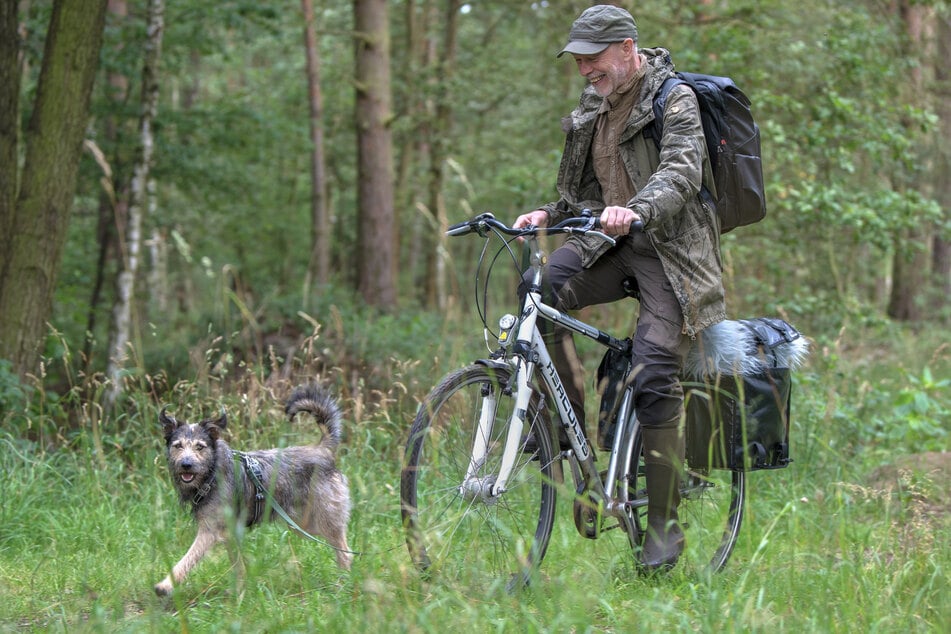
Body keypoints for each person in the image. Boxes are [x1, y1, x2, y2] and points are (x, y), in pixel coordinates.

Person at [513, 5, 726, 571]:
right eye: (580, 60)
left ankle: (663, 529)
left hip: (671, 253)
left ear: (628, 48)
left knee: (655, 370)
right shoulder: (594, 105)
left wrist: (635, 212)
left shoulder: (673, 97)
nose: (585, 69)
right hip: (608, 245)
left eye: (594, 57)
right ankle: (563, 428)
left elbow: (681, 172)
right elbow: (583, 188)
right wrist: (549, 214)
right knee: (539, 287)